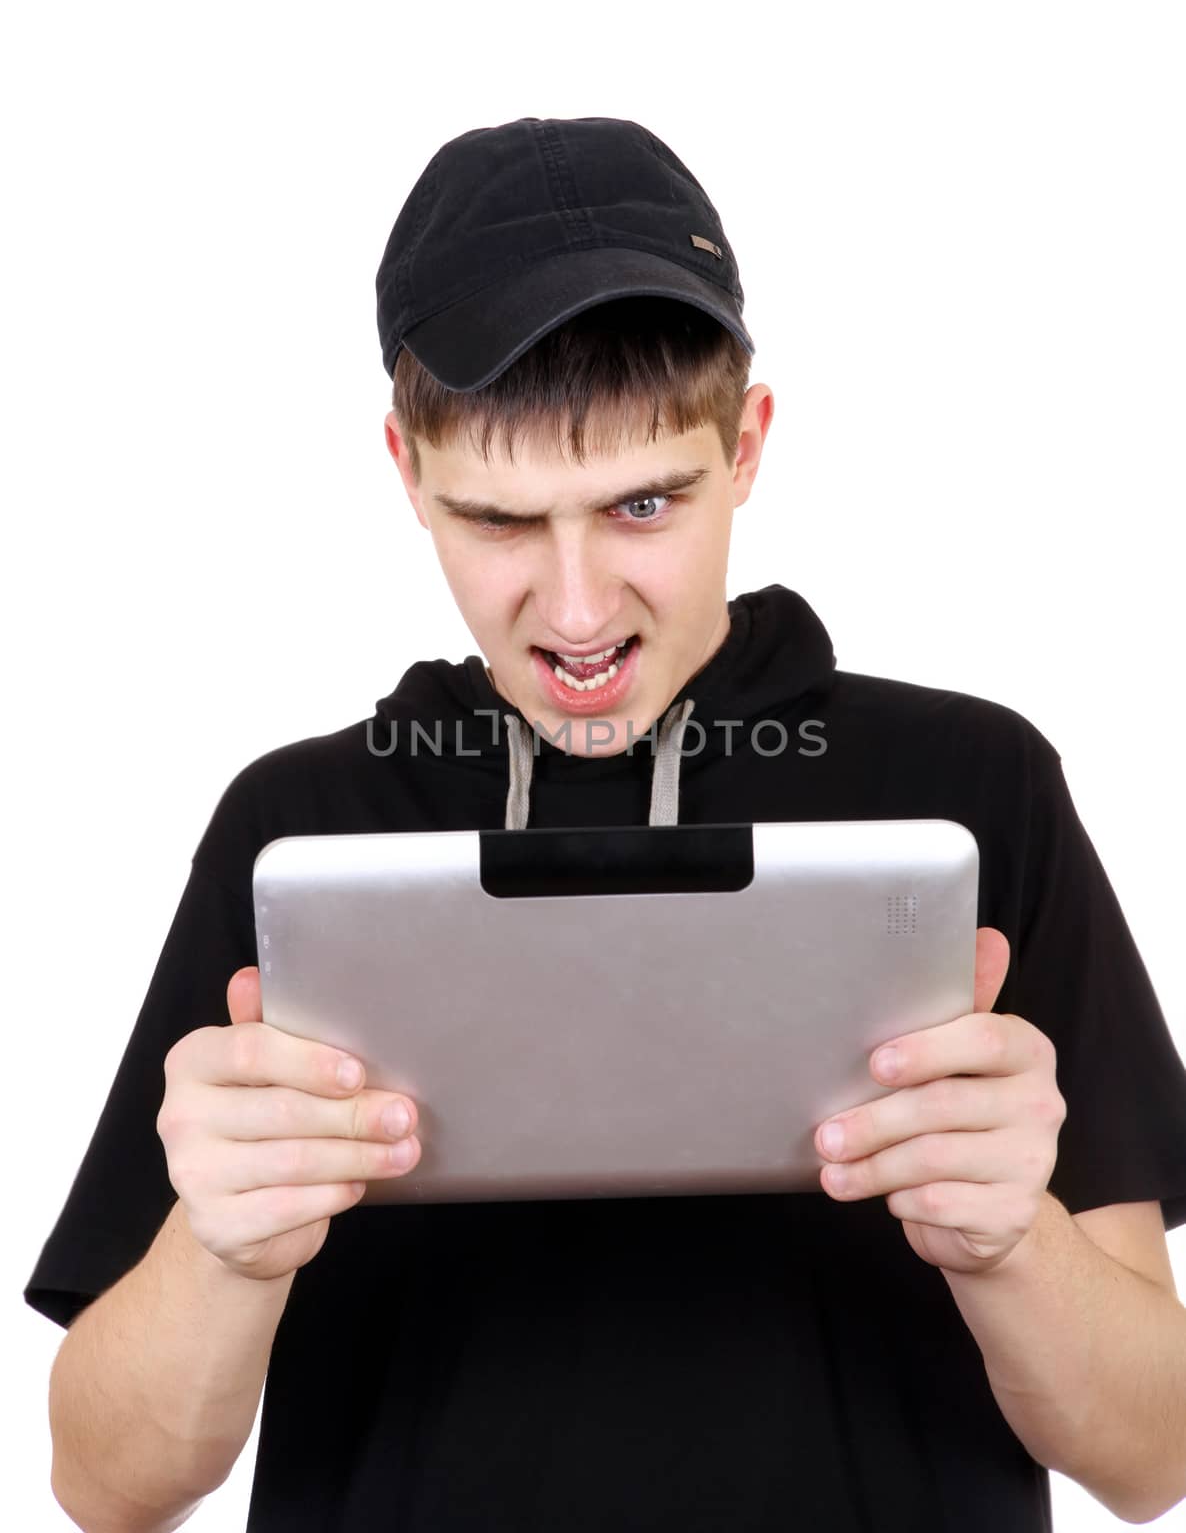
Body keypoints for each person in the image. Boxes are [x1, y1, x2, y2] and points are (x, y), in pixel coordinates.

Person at [26, 116, 1186, 1533]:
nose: (575, 613)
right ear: (406, 472)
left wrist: (1010, 1246)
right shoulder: (306, 828)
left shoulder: (969, 787)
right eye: (500, 521)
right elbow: (105, 1487)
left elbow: (1154, 1460)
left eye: (642, 504)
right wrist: (224, 1250)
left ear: (745, 444)